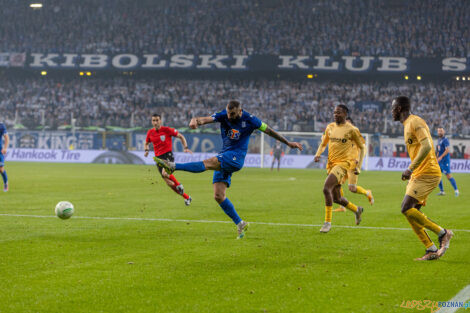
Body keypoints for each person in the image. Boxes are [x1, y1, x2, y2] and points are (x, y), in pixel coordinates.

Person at [155, 100, 303, 239]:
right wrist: (196, 120)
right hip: (224, 155)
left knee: (208, 163)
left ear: (240, 111)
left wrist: (288, 143)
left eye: (232, 114)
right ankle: (241, 224)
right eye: (228, 113)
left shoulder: (250, 119)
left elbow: (269, 131)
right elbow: (205, 119)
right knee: (218, 195)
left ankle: (173, 166)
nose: (229, 116)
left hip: (236, 158)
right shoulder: (223, 115)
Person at [391, 96, 453, 261]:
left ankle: (443, 233)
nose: (391, 112)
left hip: (428, 172)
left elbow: (427, 146)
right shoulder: (407, 125)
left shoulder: (415, 122)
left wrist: (410, 168)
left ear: (398, 109)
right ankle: (431, 249)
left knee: (405, 207)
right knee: (411, 212)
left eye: (392, 108)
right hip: (420, 173)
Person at [314, 105, 365, 233]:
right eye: (334, 113)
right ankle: (356, 210)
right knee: (337, 198)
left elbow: (362, 147)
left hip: (343, 164)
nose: (336, 115)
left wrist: (358, 166)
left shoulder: (352, 130)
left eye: (339, 113)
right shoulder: (330, 127)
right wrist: (318, 153)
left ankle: (327, 223)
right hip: (331, 164)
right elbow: (324, 143)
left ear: (345, 114)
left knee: (326, 188)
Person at [144, 114, 192, 206]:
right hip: (158, 159)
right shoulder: (150, 132)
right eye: (153, 120)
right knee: (169, 183)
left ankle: (178, 184)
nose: (155, 122)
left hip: (167, 155)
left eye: (157, 120)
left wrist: (185, 147)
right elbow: (146, 143)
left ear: (160, 121)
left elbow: (181, 136)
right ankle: (187, 197)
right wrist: (146, 150)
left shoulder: (167, 130)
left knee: (165, 173)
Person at [334, 117, 374, 212]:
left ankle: (367, 192)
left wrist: (359, 161)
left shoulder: (355, 132)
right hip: (344, 163)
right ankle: (342, 207)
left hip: (353, 164)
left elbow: (363, 147)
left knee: (352, 188)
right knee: (337, 184)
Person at [436, 127, 459, 197]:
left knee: (448, 176)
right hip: (439, 161)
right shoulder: (438, 140)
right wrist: (437, 157)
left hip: (445, 161)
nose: (440, 132)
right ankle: (442, 191)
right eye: (439, 131)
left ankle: (456, 190)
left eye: (441, 131)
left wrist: (440, 157)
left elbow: (447, 150)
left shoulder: (445, 140)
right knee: (438, 176)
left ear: (444, 132)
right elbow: (439, 150)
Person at [0, 122, 9, 192]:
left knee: (1, 169)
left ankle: (6, 183)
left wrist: (5, 148)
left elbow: (6, 137)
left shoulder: (1, 125)